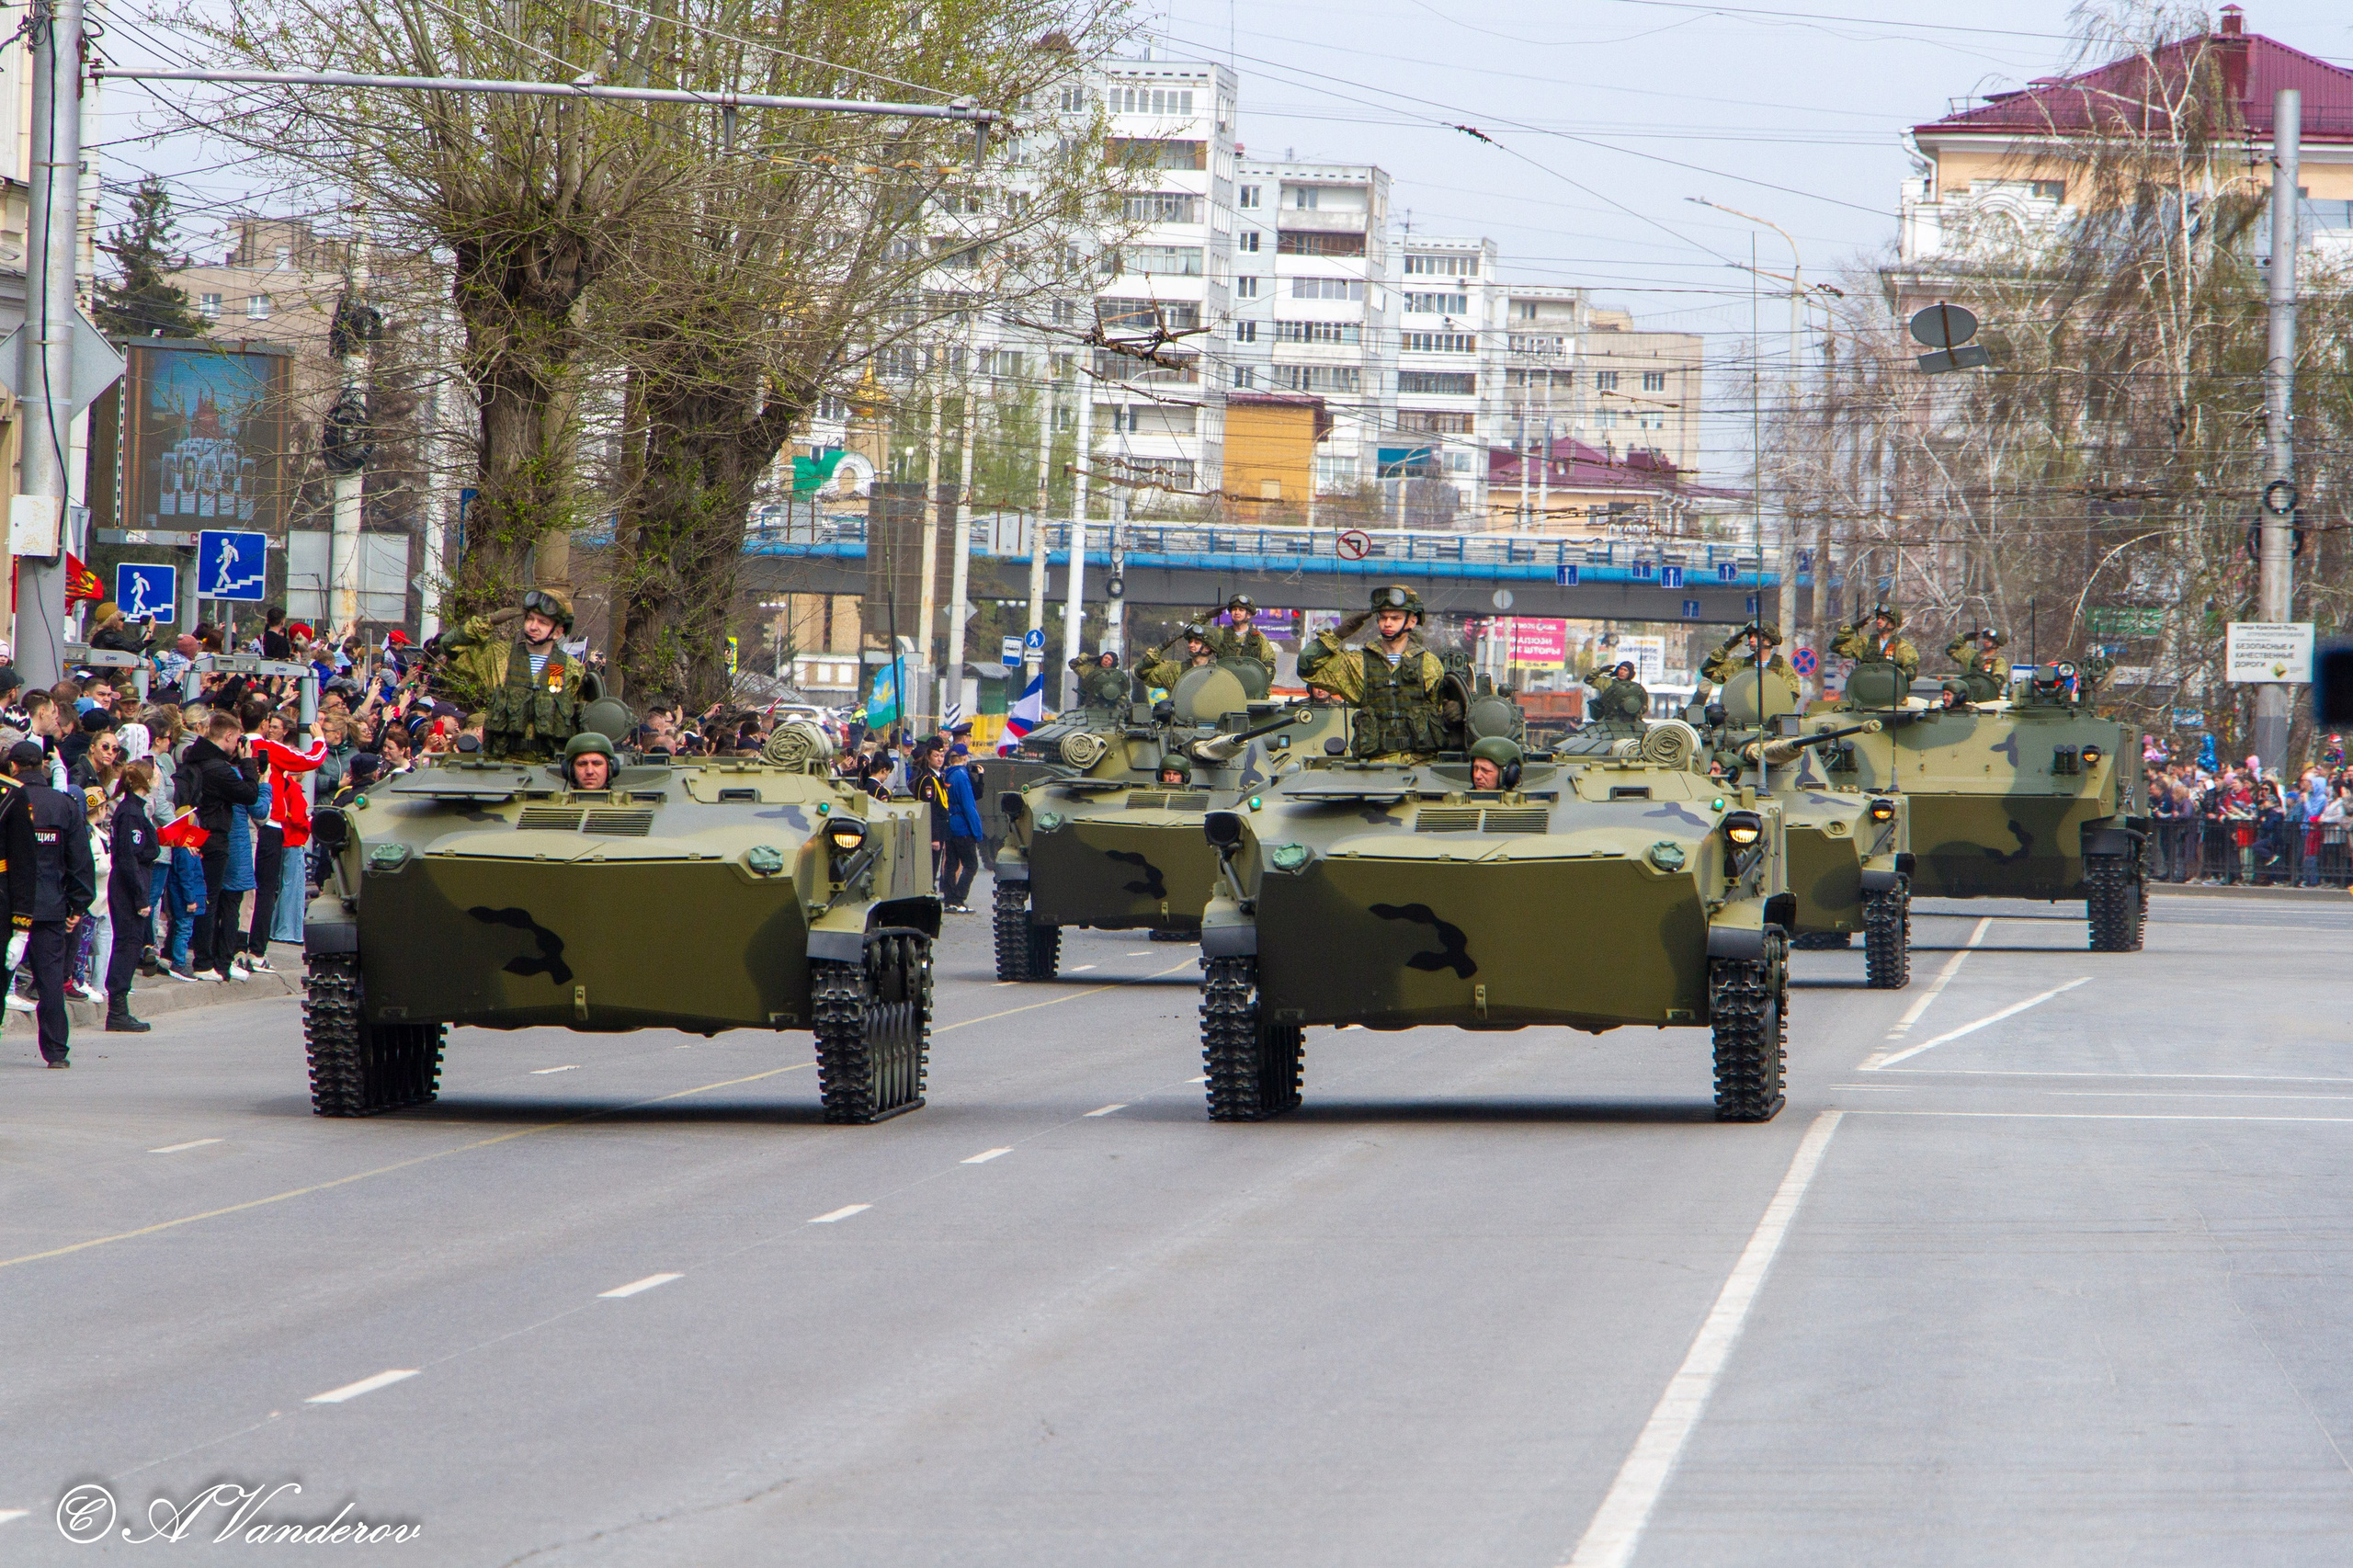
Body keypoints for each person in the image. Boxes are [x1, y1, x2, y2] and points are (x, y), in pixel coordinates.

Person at [8, 742, 95, 1065]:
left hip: (11, 905)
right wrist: (77, 906)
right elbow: (80, 860)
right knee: (50, 981)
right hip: (49, 905)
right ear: (43, 766)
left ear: (14, 767)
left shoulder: (9, 799)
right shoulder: (64, 805)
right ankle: (57, 1051)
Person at [431, 588, 591, 759]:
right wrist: (489, 621)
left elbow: (584, 720)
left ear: (558, 632)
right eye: (530, 619)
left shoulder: (572, 670)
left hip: (551, 767)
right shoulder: (499, 656)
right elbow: (449, 645)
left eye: (542, 622)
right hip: (500, 764)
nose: (533, 626)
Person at [1298, 585, 1447, 760]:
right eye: (1383, 617)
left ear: (1412, 621)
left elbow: (1443, 710)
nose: (1387, 623)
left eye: (1395, 618)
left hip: (1421, 765)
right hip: (1374, 767)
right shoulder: (1359, 663)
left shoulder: (1428, 664)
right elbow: (1307, 666)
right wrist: (1337, 635)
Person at [177, 710, 261, 981]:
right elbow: (249, 794)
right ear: (228, 736)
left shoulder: (194, 758)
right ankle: (204, 963)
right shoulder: (218, 768)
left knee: (204, 899)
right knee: (209, 902)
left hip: (197, 833)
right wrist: (248, 764)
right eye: (237, 740)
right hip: (213, 838)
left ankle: (201, 959)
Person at [1700, 621, 1801, 702]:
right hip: (1742, 719)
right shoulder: (1739, 665)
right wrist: (1727, 646)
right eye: (1750, 636)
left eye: (1756, 636)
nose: (1751, 640)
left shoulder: (1783, 668)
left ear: (1768, 641)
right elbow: (1708, 670)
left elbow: (1791, 698)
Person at [938, 743, 984, 914]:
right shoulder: (962, 776)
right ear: (964, 758)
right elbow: (969, 806)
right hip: (963, 827)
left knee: (951, 863)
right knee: (971, 865)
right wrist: (977, 832)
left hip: (950, 825)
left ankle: (949, 900)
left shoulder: (947, 775)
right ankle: (959, 899)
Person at [1833, 601, 1920, 683]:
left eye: (1883, 619)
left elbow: (1911, 672)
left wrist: (1895, 674)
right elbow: (1836, 647)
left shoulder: (1903, 647)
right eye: (1878, 618)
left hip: (1890, 694)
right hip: (1866, 692)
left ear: (1892, 623)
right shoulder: (1865, 642)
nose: (1878, 621)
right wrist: (1852, 628)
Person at [1208, 593, 1279, 678]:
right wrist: (1207, 616)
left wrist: (1261, 689)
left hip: (1250, 687)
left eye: (1241, 610)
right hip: (1226, 686)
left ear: (1248, 615)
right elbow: (1193, 633)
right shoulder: (1221, 634)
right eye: (1234, 609)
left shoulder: (1258, 638)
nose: (1237, 612)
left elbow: (1268, 666)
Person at [1139, 623, 1216, 690]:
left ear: (1207, 648)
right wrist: (1160, 648)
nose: (1191, 645)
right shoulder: (1175, 670)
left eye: (1197, 643)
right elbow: (1142, 673)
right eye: (1190, 642)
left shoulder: (1217, 673)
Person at [1584, 660, 1650, 725]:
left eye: (1625, 670)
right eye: (1621, 669)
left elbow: (1643, 705)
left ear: (1630, 673)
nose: (1622, 672)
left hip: (1631, 720)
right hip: (1609, 719)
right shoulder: (1607, 683)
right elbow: (1588, 680)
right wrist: (1600, 670)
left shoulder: (1634, 688)